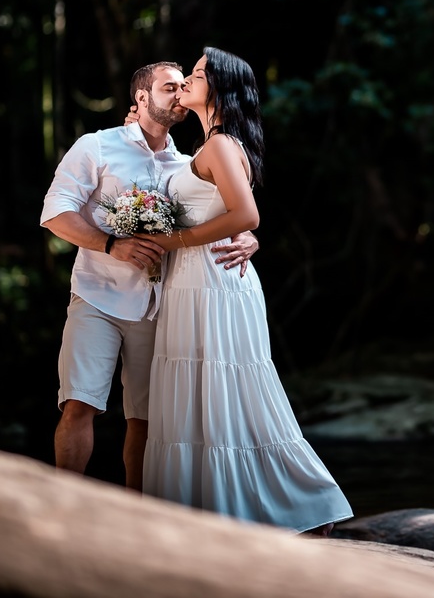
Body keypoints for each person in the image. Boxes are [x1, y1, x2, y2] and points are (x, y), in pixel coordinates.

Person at [137, 47, 353, 535]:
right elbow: (229, 214)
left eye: (196, 74)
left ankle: (300, 503)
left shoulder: (218, 145)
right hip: (200, 279)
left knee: (224, 390)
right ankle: (214, 511)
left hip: (211, 280)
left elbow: (247, 216)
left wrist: (173, 240)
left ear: (221, 87)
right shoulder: (211, 144)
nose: (188, 81)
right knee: (210, 393)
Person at [40, 61, 259, 491]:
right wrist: (109, 244)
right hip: (98, 297)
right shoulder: (97, 146)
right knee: (80, 403)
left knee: (145, 419)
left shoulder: (185, 162)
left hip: (161, 307)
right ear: (141, 98)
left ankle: (136, 513)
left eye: (184, 87)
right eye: (168, 87)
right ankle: (60, 503)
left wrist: (250, 236)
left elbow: (219, 207)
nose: (179, 94)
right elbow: (55, 214)